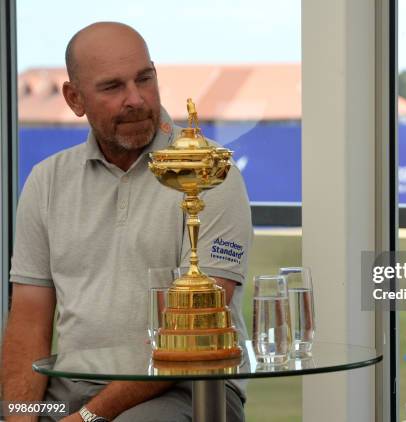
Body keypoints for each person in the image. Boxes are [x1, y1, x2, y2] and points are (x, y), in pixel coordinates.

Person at [1, 22, 252, 422]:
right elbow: (29, 319)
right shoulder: (47, 180)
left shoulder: (210, 171)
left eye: (145, 79)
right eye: (113, 87)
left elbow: (190, 334)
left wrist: (88, 418)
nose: (135, 99)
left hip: (188, 388)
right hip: (66, 391)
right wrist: (19, 416)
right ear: (74, 98)